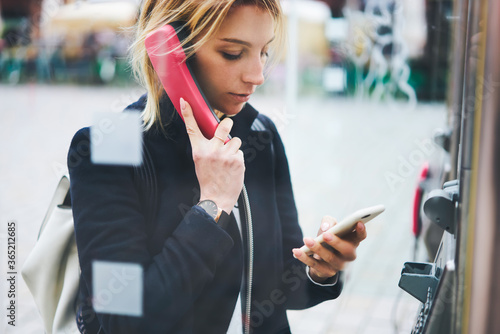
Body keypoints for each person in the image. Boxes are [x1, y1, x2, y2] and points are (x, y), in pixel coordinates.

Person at [68, 0, 367, 333]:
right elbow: (124, 322)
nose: (257, 76)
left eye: (264, 52)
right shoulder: (107, 146)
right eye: (233, 53)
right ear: (171, 52)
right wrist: (212, 205)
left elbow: (276, 287)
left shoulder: (259, 134)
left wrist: (319, 269)